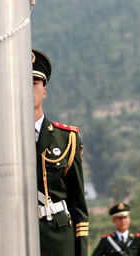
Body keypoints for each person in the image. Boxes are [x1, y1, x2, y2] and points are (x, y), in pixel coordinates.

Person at [34, 49, 89, 256]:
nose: (28, 89)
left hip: (56, 238)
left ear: (44, 90)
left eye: (34, 83)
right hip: (15, 234)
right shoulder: (2, 138)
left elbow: (78, 204)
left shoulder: (66, 138)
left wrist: (81, 251)